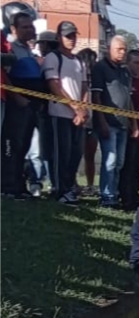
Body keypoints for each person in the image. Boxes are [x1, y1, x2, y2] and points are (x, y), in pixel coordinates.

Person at [42, 21, 87, 206]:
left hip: (79, 117)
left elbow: (85, 86)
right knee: (62, 154)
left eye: (74, 35)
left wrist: (83, 109)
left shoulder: (79, 61)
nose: (72, 39)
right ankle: (60, 189)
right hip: (59, 114)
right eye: (68, 36)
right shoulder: (52, 58)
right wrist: (75, 108)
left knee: (75, 154)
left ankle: (70, 187)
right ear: (59, 37)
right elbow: (54, 86)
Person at [90, 35, 133, 208]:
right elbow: (96, 95)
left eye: (124, 49)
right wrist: (101, 121)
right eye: (119, 49)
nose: (122, 52)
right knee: (110, 160)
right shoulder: (100, 68)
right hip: (108, 122)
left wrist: (132, 122)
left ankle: (113, 193)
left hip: (123, 123)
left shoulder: (124, 71)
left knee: (119, 162)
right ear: (109, 49)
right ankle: (106, 195)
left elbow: (128, 98)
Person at [0, 9, 37, 199]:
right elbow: (5, 77)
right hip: (16, 104)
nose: (30, 30)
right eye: (25, 27)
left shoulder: (28, 49)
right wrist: (17, 97)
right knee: (11, 146)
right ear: (14, 28)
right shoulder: (10, 48)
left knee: (23, 146)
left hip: (30, 105)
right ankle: (7, 186)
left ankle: (19, 184)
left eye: (31, 26)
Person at [24, 30, 57, 198]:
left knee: (48, 150)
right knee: (36, 150)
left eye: (42, 43)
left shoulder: (55, 61)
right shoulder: (36, 62)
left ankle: (51, 181)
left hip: (50, 111)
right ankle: (36, 181)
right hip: (38, 110)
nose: (40, 46)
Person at [120, 49, 139, 211]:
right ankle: (127, 198)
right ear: (128, 63)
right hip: (131, 130)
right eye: (136, 63)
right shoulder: (125, 80)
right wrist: (134, 126)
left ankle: (136, 195)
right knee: (128, 167)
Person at [76, 47, 97, 196]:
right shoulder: (78, 76)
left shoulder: (95, 77)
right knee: (76, 155)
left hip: (93, 120)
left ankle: (90, 185)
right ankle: (74, 183)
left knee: (90, 155)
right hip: (79, 118)